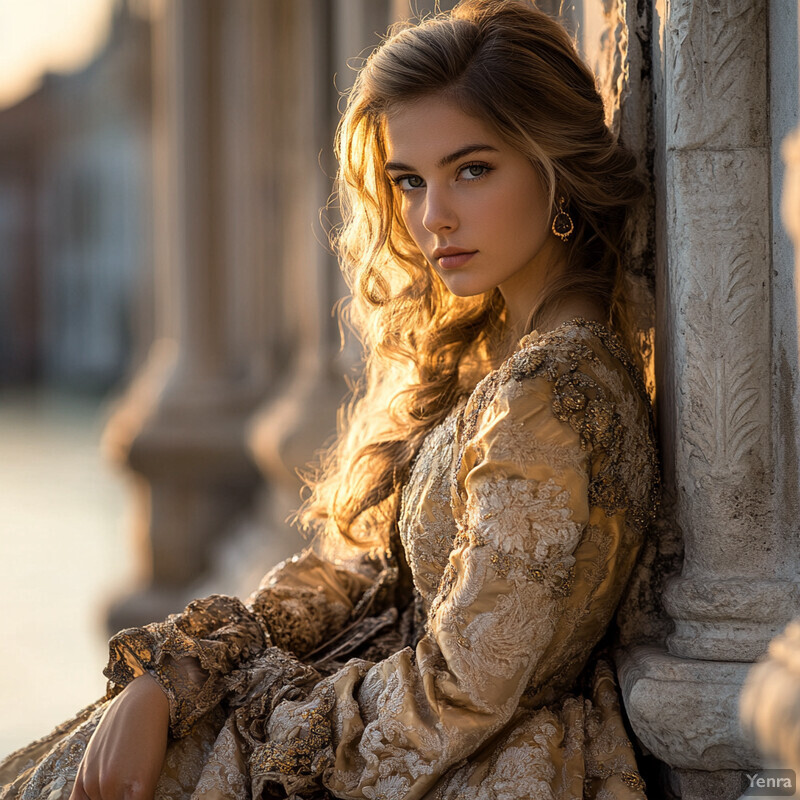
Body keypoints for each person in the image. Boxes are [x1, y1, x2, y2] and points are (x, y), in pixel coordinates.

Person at [1, 0, 660, 798]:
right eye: (409, 181)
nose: (431, 217)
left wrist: (259, 723)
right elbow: (376, 580)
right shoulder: (512, 358)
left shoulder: (546, 396)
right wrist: (185, 668)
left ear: (555, 167)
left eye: (472, 169)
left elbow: (458, 690)